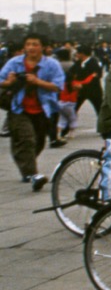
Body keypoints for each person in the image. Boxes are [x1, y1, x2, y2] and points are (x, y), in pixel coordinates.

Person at [1, 33, 65, 191]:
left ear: (43, 47)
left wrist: (37, 82)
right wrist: (8, 82)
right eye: (28, 44)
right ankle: (34, 175)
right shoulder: (14, 63)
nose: (31, 48)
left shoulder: (52, 65)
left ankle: (26, 166)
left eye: (35, 44)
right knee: (26, 139)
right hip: (19, 108)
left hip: (43, 109)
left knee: (38, 143)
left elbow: (58, 86)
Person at [69, 45, 104, 120]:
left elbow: (97, 76)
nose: (76, 54)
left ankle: (106, 127)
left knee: (100, 111)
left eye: (78, 53)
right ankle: (66, 128)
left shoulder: (94, 63)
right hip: (80, 91)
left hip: (93, 91)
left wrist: (83, 85)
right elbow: (70, 73)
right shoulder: (78, 63)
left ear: (83, 54)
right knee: (73, 109)